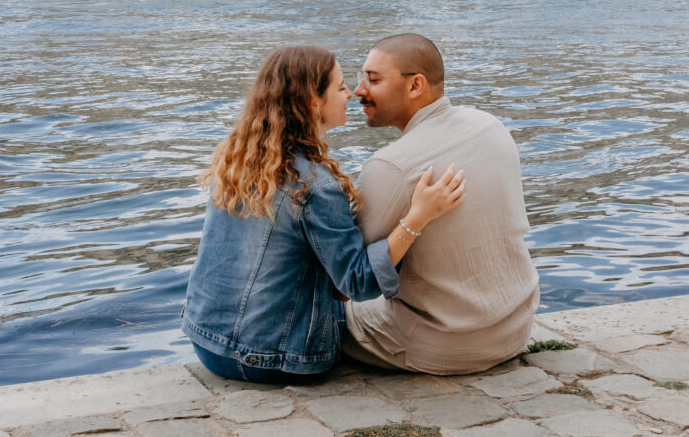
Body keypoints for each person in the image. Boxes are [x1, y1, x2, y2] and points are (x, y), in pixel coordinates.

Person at [182, 45, 465, 383]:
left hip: (207, 343)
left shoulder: (238, 159)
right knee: (373, 306)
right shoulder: (314, 186)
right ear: (311, 102)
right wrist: (418, 216)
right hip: (273, 357)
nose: (351, 94)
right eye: (341, 86)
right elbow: (358, 282)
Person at [344, 33, 539, 375]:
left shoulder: (390, 165)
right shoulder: (489, 124)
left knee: (322, 308)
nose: (358, 90)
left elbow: (353, 273)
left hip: (446, 343)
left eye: (372, 79)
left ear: (415, 85)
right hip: (514, 327)